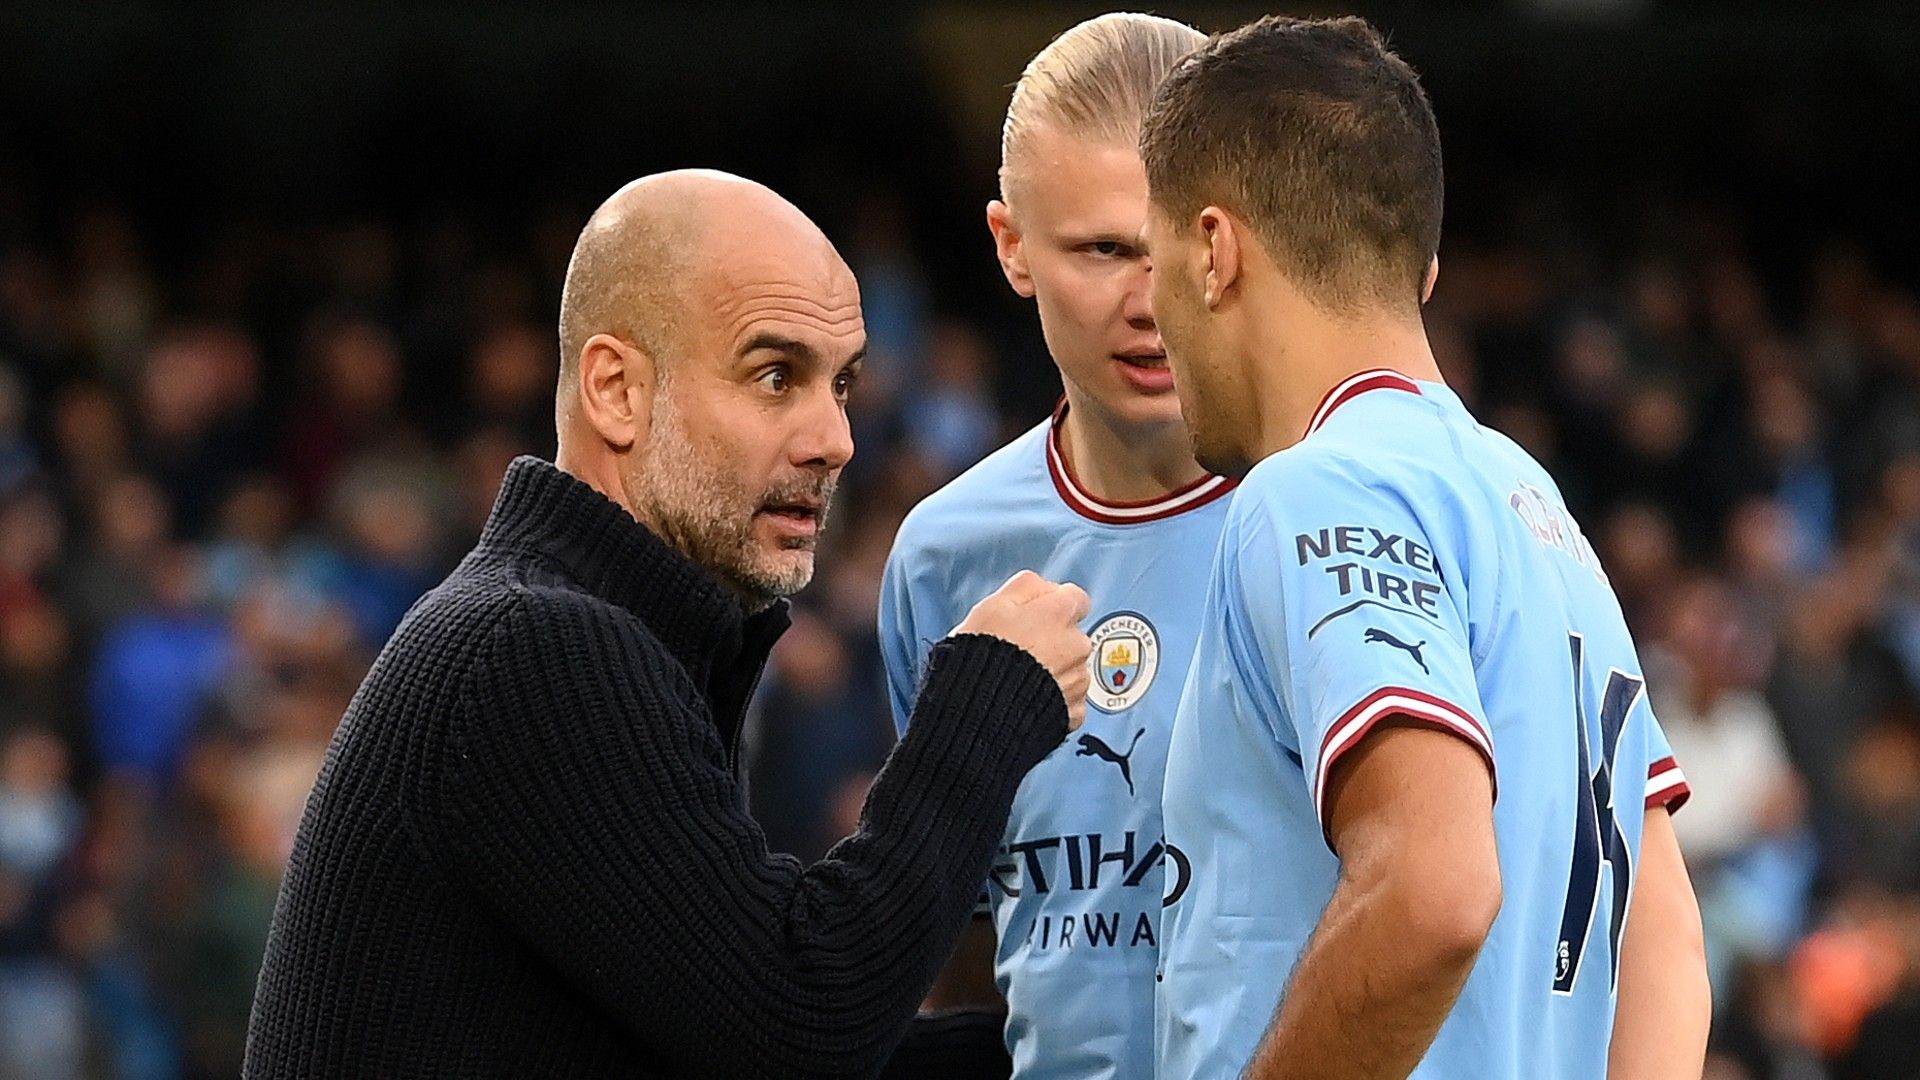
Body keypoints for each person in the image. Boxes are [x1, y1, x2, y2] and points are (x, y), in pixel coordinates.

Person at [244, 170, 1094, 1079]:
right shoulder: (535, 648)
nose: (834, 439)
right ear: (615, 390)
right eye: (775, 376)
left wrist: (1082, 1045)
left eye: (841, 385)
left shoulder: (598, 638)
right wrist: (986, 699)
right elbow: (805, 1021)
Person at [1139, 17, 1711, 1080]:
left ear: (1214, 251)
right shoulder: (1532, 504)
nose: (1153, 312)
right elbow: (1664, 933)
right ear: (1427, 270)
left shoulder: (1315, 487)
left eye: (1155, 257)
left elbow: (1435, 889)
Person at [875, 14, 1219, 1080]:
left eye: (1177, 253)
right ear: (1012, 246)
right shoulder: (943, 559)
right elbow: (968, 943)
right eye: (1105, 250)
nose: (1149, 304)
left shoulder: (1342, 519)